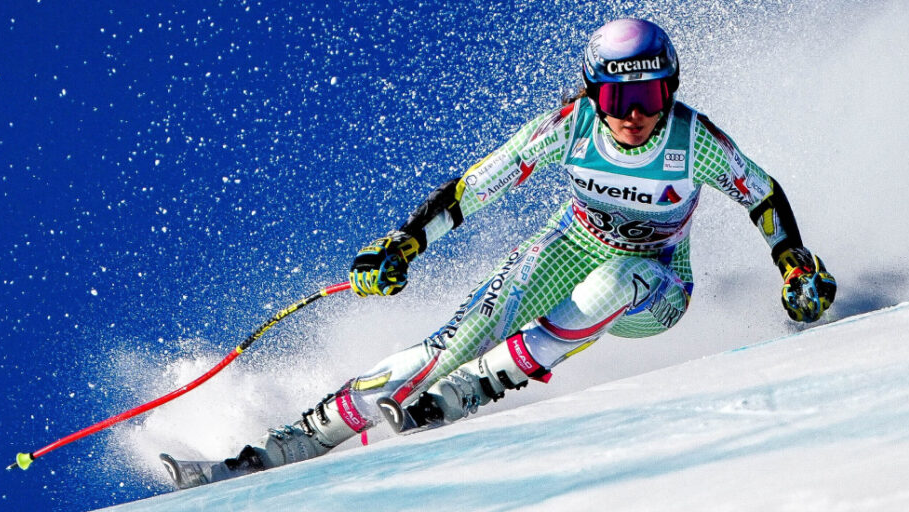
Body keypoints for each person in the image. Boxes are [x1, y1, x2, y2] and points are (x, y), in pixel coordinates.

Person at [160, 18, 837, 489]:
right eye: (618, 96)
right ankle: (277, 450)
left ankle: (471, 391)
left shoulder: (692, 141)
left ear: (672, 89)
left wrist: (794, 264)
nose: (635, 114)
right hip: (569, 247)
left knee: (616, 279)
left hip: (657, 285)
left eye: (651, 95)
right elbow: (477, 186)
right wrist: (405, 245)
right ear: (593, 94)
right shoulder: (570, 128)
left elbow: (762, 194)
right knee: (448, 344)